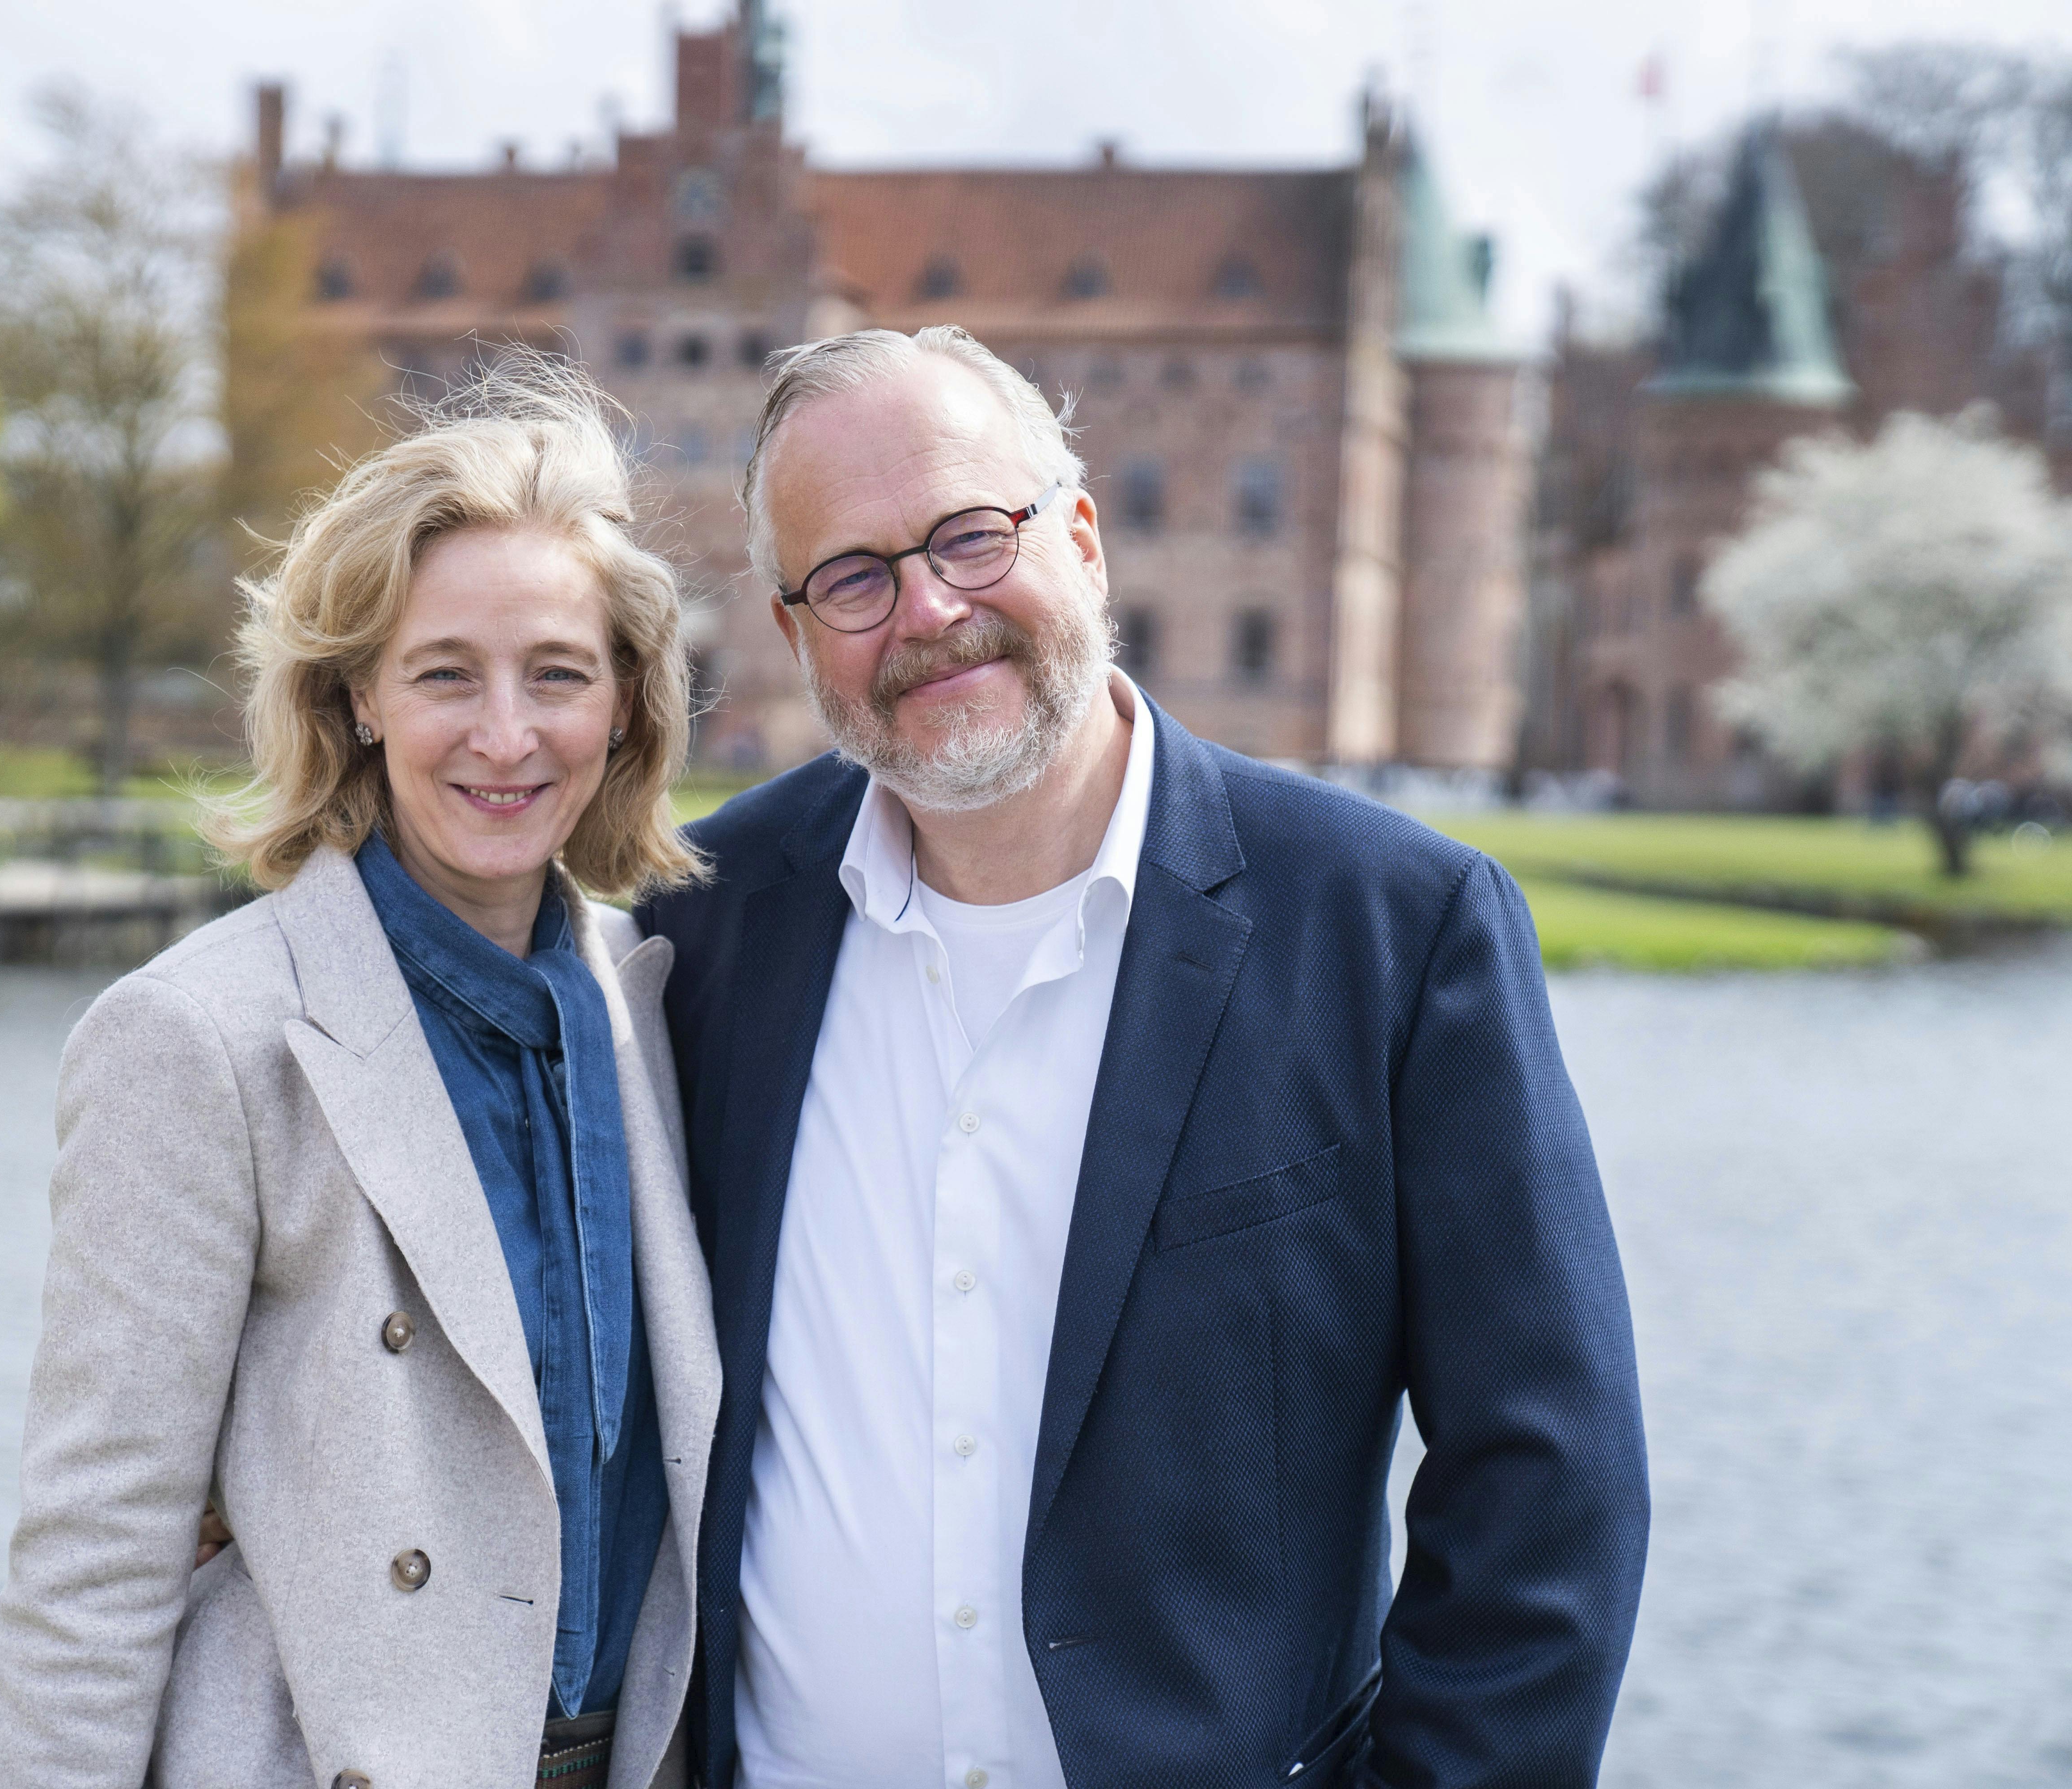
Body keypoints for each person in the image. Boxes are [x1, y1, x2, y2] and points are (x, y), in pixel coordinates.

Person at [636, 327, 1649, 1789]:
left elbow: (1552, 1487)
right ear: (797, 640)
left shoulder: (1391, 933)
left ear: (1087, 543)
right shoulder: (700, 931)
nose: (927, 608)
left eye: (972, 538)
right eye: (852, 576)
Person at [0, 354, 719, 1789]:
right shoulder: (198, 1038)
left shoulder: (657, 1003)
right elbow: (95, 1553)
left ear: (626, 702)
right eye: (445, 674)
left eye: (557, 675)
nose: (505, 736)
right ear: (359, 699)